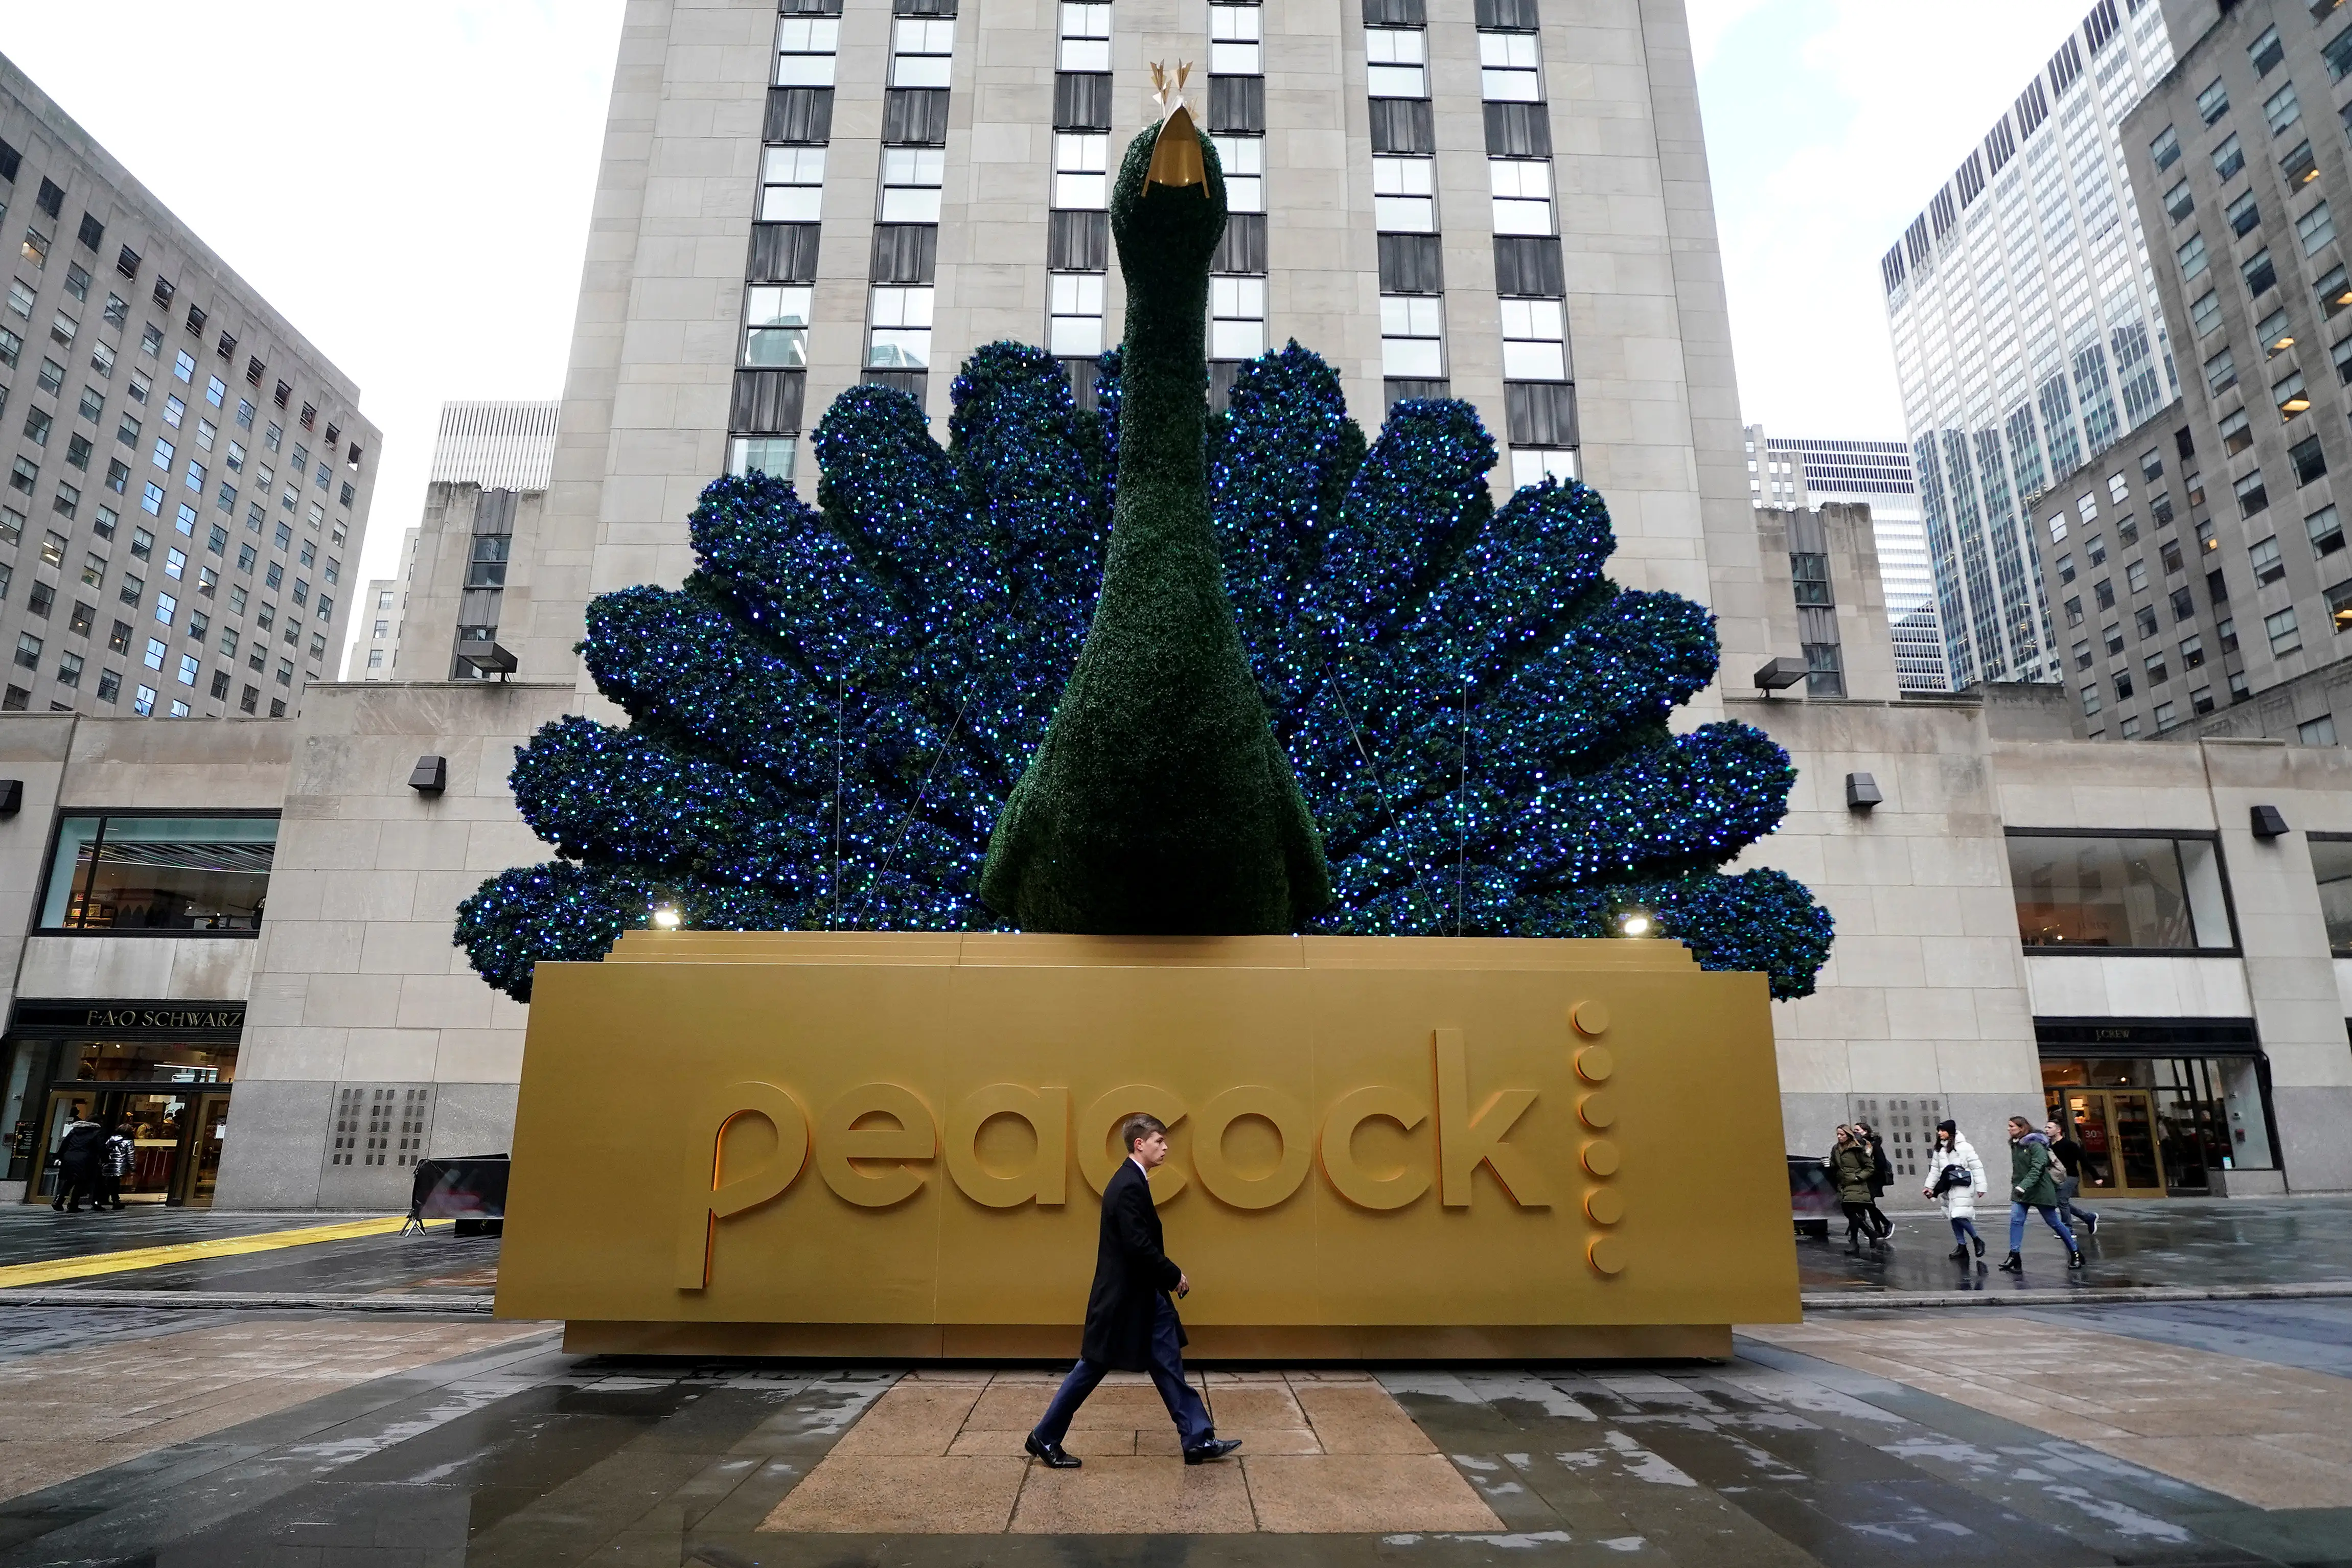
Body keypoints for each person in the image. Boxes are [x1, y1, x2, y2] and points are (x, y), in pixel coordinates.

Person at [1025, 1114, 1241, 1470]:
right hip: (1124, 1301)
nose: (1166, 1147)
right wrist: (1173, 1274)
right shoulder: (1128, 1185)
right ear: (1139, 1144)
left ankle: (1198, 1438)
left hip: (1143, 1298)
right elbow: (1138, 1246)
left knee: (1168, 1364)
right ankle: (1045, 1436)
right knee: (1092, 1366)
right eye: (1159, 1141)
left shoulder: (1133, 1181)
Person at [1999, 1115, 2083, 1273]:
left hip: (2040, 1189)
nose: (2008, 1129)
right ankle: (2014, 1256)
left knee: (2054, 1223)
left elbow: (2037, 1168)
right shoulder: (2016, 1144)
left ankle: (2075, 1253)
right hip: (2021, 1190)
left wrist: (2023, 1186)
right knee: (2016, 1221)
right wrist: (2017, 1185)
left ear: (2022, 1128)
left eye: (2012, 1126)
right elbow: (2019, 1169)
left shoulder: (2035, 1144)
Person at [1922, 1120, 1987, 1264]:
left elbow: (1977, 1167)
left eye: (1942, 1130)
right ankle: (1961, 1245)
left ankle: (1977, 1239)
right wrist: (1929, 1187)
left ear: (1950, 1131)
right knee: (1953, 1216)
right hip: (1947, 1185)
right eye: (1939, 1131)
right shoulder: (1940, 1149)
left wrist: (1981, 1187)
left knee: (1958, 1214)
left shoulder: (1964, 1147)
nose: (1939, 1133)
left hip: (1962, 1184)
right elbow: (1935, 1170)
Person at [2043, 1117, 2102, 1238]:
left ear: (2058, 1130)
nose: (2046, 1130)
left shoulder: (2069, 1145)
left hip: (2071, 1176)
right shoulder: (2047, 1145)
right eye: (2046, 1127)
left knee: (2062, 1201)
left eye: (2050, 1127)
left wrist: (2096, 1177)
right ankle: (2088, 1218)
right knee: (2061, 1202)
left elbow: (2084, 1160)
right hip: (2055, 1178)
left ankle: (2067, 1230)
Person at [1827, 1125, 1880, 1254]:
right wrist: (1829, 1164)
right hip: (1843, 1185)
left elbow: (1870, 1168)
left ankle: (1855, 1242)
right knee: (1851, 1214)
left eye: (1842, 1134)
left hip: (1856, 1185)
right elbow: (1835, 1165)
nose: (1839, 1137)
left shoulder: (1857, 1148)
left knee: (1852, 1213)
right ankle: (1870, 1233)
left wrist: (1858, 1177)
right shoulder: (1836, 1148)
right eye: (1838, 1134)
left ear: (1848, 1135)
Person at [50, 1105, 104, 1213]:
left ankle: (58, 1200)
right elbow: (100, 1147)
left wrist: (59, 1156)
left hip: (69, 1157)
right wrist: (105, 1159)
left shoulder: (75, 1130)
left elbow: (65, 1144)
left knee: (69, 1181)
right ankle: (73, 1204)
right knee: (81, 1182)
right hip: (86, 1159)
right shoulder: (96, 1132)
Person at [1857, 1121, 1896, 1239]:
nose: (1855, 1132)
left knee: (1869, 1204)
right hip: (1868, 1178)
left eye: (1858, 1130)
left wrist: (1870, 1171)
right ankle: (1878, 1230)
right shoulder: (1861, 1144)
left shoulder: (1873, 1144)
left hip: (1874, 1179)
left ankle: (1886, 1224)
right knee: (1869, 1205)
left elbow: (1880, 1162)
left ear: (1866, 1131)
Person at [97, 1121, 135, 1211]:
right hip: (119, 1165)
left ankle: (101, 1200)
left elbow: (105, 1150)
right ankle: (116, 1201)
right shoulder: (128, 1141)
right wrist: (133, 1167)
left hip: (108, 1164)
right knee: (115, 1184)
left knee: (108, 1183)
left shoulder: (111, 1139)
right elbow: (131, 1155)